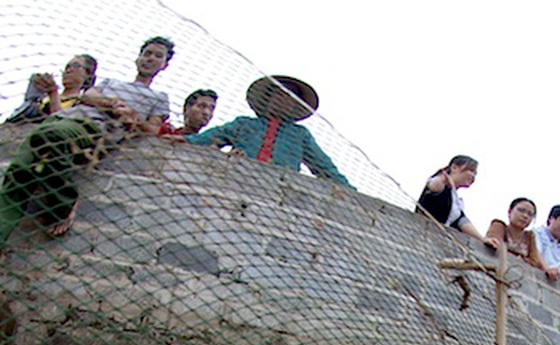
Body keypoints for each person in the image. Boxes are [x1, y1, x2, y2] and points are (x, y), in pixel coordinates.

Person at [0, 37, 173, 247]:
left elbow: (153, 130)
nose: (150, 59)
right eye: (147, 53)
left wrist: (132, 117)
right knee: (18, 172)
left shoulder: (159, 97)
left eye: (157, 56)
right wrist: (111, 104)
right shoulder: (110, 83)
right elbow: (87, 97)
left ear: (164, 65)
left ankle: (63, 204)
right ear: (138, 58)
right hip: (63, 118)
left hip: (92, 128)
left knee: (53, 138)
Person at [185, 75, 351, 186]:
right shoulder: (245, 124)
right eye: (279, 95)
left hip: (279, 186)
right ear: (269, 98)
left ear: (295, 104)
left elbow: (323, 166)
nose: (283, 100)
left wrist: (350, 191)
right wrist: (188, 141)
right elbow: (214, 136)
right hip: (239, 179)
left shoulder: (300, 135)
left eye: (290, 97)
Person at [416, 156, 499, 246]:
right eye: (471, 171)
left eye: (475, 174)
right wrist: (443, 178)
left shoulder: (455, 200)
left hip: (436, 241)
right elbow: (433, 187)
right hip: (422, 235)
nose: (473, 177)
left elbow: (462, 221)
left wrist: (483, 239)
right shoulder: (441, 185)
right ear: (454, 168)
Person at [5, 54, 98, 123]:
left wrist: (53, 93)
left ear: (88, 76)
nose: (68, 70)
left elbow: (59, 122)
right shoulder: (44, 97)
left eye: (76, 66)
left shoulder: (81, 103)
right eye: (67, 67)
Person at [485, 198, 560, 278]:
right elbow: (495, 246)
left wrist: (549, 270)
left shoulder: (529, 237)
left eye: (530, 214)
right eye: (521, 210)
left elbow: (536, 261)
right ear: (510, 211)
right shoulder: (499, 226)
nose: (525, 216)